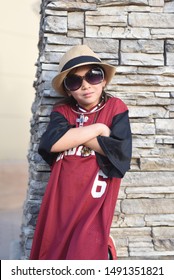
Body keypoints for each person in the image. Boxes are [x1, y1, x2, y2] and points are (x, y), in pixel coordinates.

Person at [30, 45, 132, 260]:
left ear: (103, 80)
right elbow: (52, 143)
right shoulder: (63, 111)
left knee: (85, 251)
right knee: (54, 252)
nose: (85, 85)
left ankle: (106, 248)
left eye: (93, 76)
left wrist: (74, 135)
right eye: (75, 81)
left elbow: (120, 152)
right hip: (61, 196)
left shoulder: (116, 108)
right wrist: (99, 130)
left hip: (94, 196)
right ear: (68, 90)